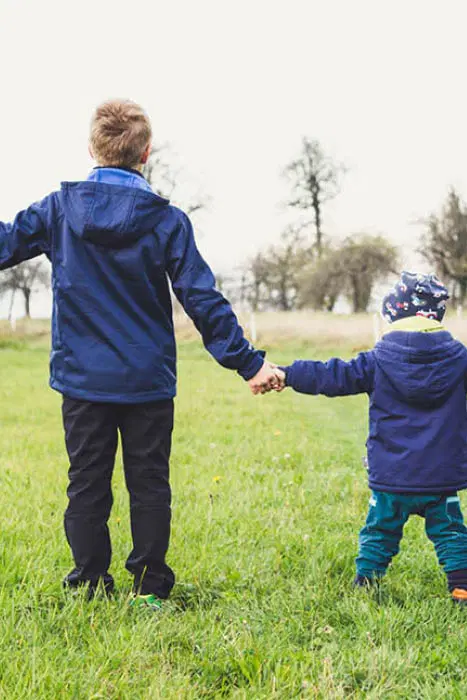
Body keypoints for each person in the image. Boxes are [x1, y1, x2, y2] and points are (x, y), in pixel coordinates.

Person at [0, 99, 280, 609]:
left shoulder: (58, 211)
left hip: (83, 381)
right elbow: (201, 298)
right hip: (147, 381)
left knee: (86, 484)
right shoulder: (168, 220)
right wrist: (249, 363)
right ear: (146, 153)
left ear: (91, 148)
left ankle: (88, 583)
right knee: (149, 483)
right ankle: (150, 589)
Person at [271, 272, 467, 604]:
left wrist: (288, 374)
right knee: (450, 532)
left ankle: (366, 584)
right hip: (441, 476)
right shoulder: (460, 359)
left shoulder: (378, 360)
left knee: (379, 530)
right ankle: (461, 588)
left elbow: (332, 375)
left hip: (392, 477)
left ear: (394, 313)